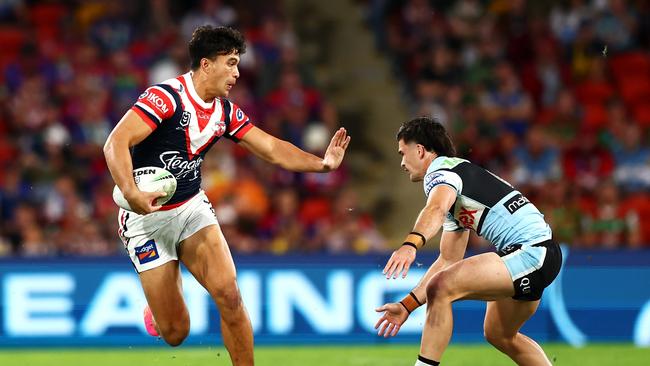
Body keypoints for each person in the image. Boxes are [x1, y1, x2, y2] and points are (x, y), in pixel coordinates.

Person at [103, 26, 350, 365]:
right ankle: (160, 308)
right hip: (144, 220)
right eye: (231, 63)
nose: (236, 73)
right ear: (206, 65)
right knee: (176, 332)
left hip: (191, 209)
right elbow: (116, 142)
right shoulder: (165, 98)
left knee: (230, 296)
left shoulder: (224, 112)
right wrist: (130, 193)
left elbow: (271, 147)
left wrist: (321, 164)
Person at [374, 117, 561, 366]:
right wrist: (407, 305)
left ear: (419, 149)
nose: (402, 163)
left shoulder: (440, 173)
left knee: (440, 287)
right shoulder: (459, 178)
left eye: (402, 152)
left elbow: (436, 209)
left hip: (530, 253)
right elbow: (448, 259)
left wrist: (410, 245)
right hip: (539, 255)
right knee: (500, 335)